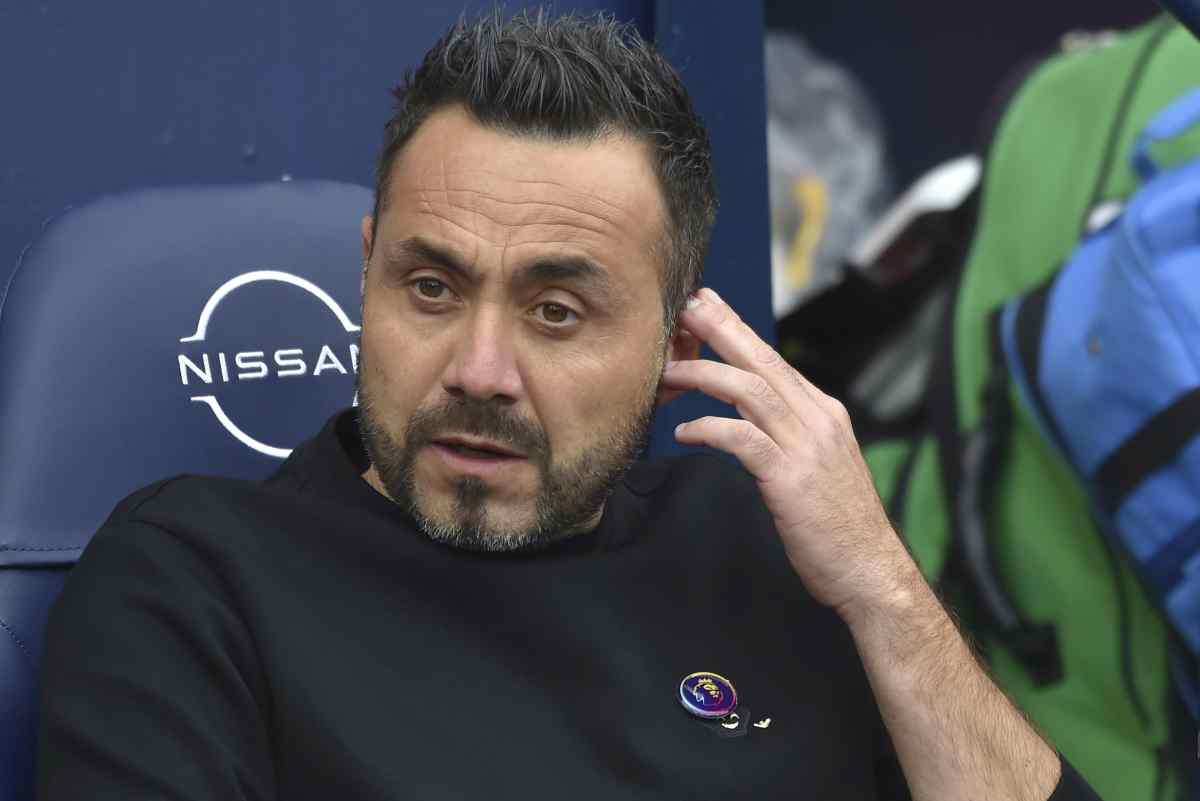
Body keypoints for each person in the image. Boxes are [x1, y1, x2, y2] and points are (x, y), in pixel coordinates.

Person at [37, 10, 1101, 801]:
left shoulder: (768, 547)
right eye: (431, 288)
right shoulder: (197, 580)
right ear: (367, 274)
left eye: (555, 312)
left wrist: (882, 587)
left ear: (675, 343)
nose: (480, 370)